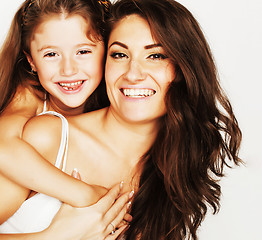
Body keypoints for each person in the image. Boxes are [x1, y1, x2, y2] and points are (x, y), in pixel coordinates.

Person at [15, 0, 242, 239]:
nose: (133, 74)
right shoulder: (48, 137)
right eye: (120, 54)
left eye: (155, 56)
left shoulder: (175, 168)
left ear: (183, 70)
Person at [0, 0, 131, 238]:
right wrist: (85, 196)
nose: (68, 70)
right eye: (51, 54)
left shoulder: (120, 109)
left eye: (83, 51)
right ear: (31, 61)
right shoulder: (28, 98)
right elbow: (2, 146)